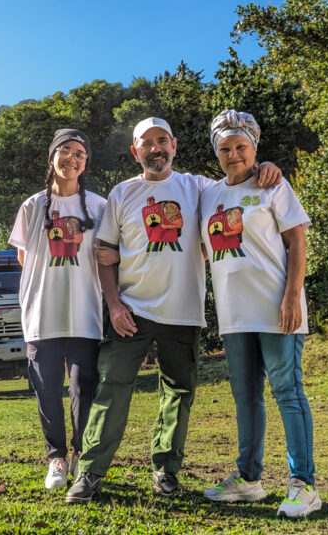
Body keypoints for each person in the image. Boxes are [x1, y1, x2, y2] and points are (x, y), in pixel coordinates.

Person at [67, 117, 282, 504]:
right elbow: (104, 254)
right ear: (136, 151)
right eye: (146, 142)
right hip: (131, 311)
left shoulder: (199, 187)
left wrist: (266, 168)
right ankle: (90, 472)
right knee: (112, 390)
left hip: (183, 313)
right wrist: (113, 304)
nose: (155, 148)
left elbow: (239, 183)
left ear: (174, 145)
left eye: (162, 140)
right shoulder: (122, 193)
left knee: (179, 393)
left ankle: (166, 469)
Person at [200, 109, 320, 517]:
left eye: (241, 147)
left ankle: (303, 484)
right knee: (245, 398)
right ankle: (249, 479)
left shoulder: (274, 185)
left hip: (276, 308)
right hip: (235, 315)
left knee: (288, 392)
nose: (234, 155)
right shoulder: (208, 194)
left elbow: (297, 243)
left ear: (254, 149)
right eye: (225, 148)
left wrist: (292, 297)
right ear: (215, 152)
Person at [9, 129, 107, 490]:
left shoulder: (98, 206)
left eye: (80, 153)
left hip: (85, 314)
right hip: (42, 314)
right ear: (52, 159)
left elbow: (107, 256)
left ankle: (83, 456)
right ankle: (56, 460)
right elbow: (24, 257)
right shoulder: (33, 206)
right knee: (47, 389)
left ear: (85, 162)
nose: (72, 158)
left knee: (84, 388)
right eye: (65, 151)